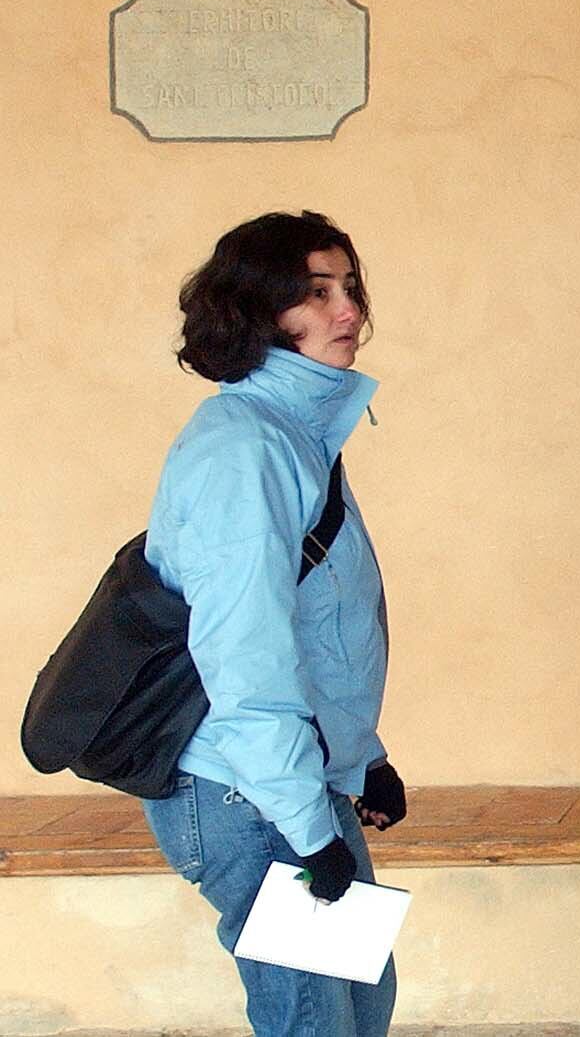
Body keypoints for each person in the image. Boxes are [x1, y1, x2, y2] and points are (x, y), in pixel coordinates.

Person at [138, 211, 405, 1037]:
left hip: (297, 780)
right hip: (242, 791)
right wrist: (303, 819)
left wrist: (362, 761)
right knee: (312, 1022)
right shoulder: (243, 449)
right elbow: (243, 654)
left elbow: (320, 631)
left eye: (349, 286)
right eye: (316, 292)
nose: (347, 309)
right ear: (258, 312)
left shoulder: (299, 433)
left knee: (360, 1007)